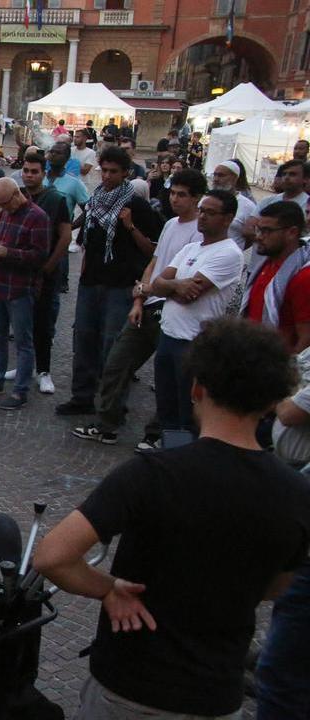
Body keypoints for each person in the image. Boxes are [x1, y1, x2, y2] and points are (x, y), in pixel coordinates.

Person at [34, 317, 310, 720]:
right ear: (271, 401)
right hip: (216, 692)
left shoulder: (152, 474)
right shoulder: (296, 493)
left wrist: (108, 588)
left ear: (197, 388)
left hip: (130, 683)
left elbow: (52, 556)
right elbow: (277, 586)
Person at [72, 169, 209, 447]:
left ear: (197, 199)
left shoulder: (200, 234)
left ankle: (160, 433)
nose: (175, 199)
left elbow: (184, 284)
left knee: (170, 378)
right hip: (147, 303)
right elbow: (155, 263)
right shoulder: (171, 225)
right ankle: (107, 423)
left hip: (174, 313)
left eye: (182, 195)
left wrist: (152, 288)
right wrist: (140, 298)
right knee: (116, 363)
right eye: (172, 193)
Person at [57, 147, 161, 417]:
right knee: (83, 339)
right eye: (104, 170)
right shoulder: (96, 199)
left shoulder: (136, 205)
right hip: (92, 281)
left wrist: (130, 227)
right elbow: (88, 239)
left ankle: (111, 405)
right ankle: (82, 397)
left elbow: (153, 250)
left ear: (126, 173)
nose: (106, 176)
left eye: (113, 171)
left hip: (121, 284)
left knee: (112, 347)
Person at [148, 190, 244, 434]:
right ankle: (169, 454)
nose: (202, 217)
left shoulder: (228, 253)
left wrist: (170, 286)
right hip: (169, 334)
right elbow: (157, 284)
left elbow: (190, 294)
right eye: (201, 210)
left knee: (188, 412)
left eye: (210, 213)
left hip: (193, 341)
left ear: (227, 218)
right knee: (166, 405)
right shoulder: (191, 248)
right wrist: (174, 286)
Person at [0, 178, 50, 410]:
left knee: (23, 341)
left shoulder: (38, 217)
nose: (2, 208)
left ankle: (20, 391)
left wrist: (8, 253)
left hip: (21, 289)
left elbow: (39, 256)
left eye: (5, 203)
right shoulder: (4, 212)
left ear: (17, 195)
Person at [14, 153, 72, 395]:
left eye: (34, 171)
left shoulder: (55, 199)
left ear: (43, 173)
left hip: (46, 273)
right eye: (26, 170)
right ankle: (22, 367)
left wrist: (50, 265)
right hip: (20, 270)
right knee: (20, 322)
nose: (29, 175)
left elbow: (66, 235)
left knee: (43, 323)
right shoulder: (17, 196)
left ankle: (44, 370)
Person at [242, 201, 310, 352]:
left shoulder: (303, 277)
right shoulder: (266, 265)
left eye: (267, 231)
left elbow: (305, 340)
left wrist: (285, 371)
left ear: (291, 232)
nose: (258, 237)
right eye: (258, 230)